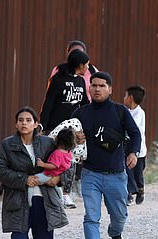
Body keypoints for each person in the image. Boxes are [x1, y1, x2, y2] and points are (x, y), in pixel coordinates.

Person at [0, 107, 69, 239]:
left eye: (28, 120)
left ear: (36, 124)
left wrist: (57, 179)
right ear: (16, 124)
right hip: (18, 201)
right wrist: (23, 179)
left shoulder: (48, 143)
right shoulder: (8, 145)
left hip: (44, 201)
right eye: (21, 120)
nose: (24, 123)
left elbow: (68, 163)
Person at [72, 72, 141, 239]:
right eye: (93, 85)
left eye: (102, 86)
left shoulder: (120, 111)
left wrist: (133, 153)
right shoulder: (80, 113)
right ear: (89, 88)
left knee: (119, 216)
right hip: (90, 173)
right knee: (91, 215)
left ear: (110, 89)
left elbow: (135, 134)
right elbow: (66, 138)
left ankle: (115, 233)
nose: (97, 89)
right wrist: (74, 139)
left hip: (116, 174)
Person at [48, 40, 100, 208]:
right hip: (57, 125)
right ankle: (53, 191)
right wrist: (42, 125)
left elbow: (85, 104)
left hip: (73, 126)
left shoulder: (83, 78)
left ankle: (66, 193)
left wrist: (90, 120)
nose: (87, 67)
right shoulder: (58, 76)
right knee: (56, 158)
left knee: (70, 160)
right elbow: (49, 102)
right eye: (85, 64)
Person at [33, 128, 76, 205]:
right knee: (57, 188)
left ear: (58, 139)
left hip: (49, 174)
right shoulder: (68, 153)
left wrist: (43, 164)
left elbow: (54, 165)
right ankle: (62, 200)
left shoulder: (57, 153)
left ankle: (29, 200)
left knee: (32, 180)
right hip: (58, 176)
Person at [124, 85, 147, 205]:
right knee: (128, 172)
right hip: (127, 149)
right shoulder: (125, 111)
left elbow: (133, 128)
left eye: (125, 96)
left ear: (130, 98)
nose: (124, 98)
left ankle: (140, 190)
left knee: (138, 174)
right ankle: (130, 194)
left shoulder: (139, 113)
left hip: (139, 151)